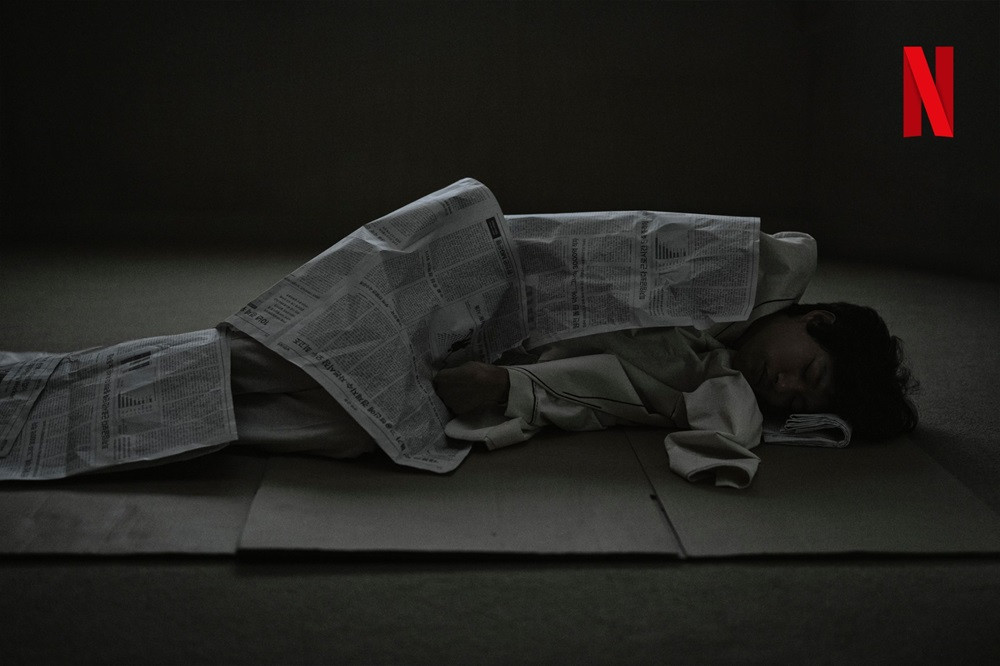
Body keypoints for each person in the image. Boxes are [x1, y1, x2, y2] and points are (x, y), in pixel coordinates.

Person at [230, 230, 918, 488]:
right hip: (472, 286)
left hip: (486, 361)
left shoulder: (714, 384)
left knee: (349, 430)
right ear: (817, 320)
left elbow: (602, 396)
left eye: (798, 400)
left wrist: (508, 387)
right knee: (283, 352)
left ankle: (205, 417)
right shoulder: (743, 267)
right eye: (808, 370)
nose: (785, 385)